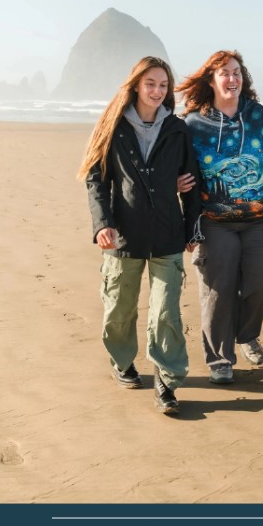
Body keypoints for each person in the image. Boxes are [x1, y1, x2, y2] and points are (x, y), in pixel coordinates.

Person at [78, 56, 201, 415]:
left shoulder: (177, 130)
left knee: (166, 313)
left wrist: (193, 228)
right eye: (151, 84)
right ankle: (122, 361)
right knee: (119, 309)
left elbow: (191, 184)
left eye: (163, 85)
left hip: (167, 235)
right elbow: (95, 180)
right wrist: (102, 224)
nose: (157, 91)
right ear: (135, 85)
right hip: (123, 237)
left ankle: (167, 379)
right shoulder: (114, 126)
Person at [176, 50, 263, 385]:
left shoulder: (259, 116)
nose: (232, 79)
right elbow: (180, 169)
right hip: (213, 220)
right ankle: (220, 358)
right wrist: (177, 189)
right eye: (224, 73)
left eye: (236, 72)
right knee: (219, 288)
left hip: (262, 216)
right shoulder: (192, 124)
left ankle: (246, 334)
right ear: (212, 80)